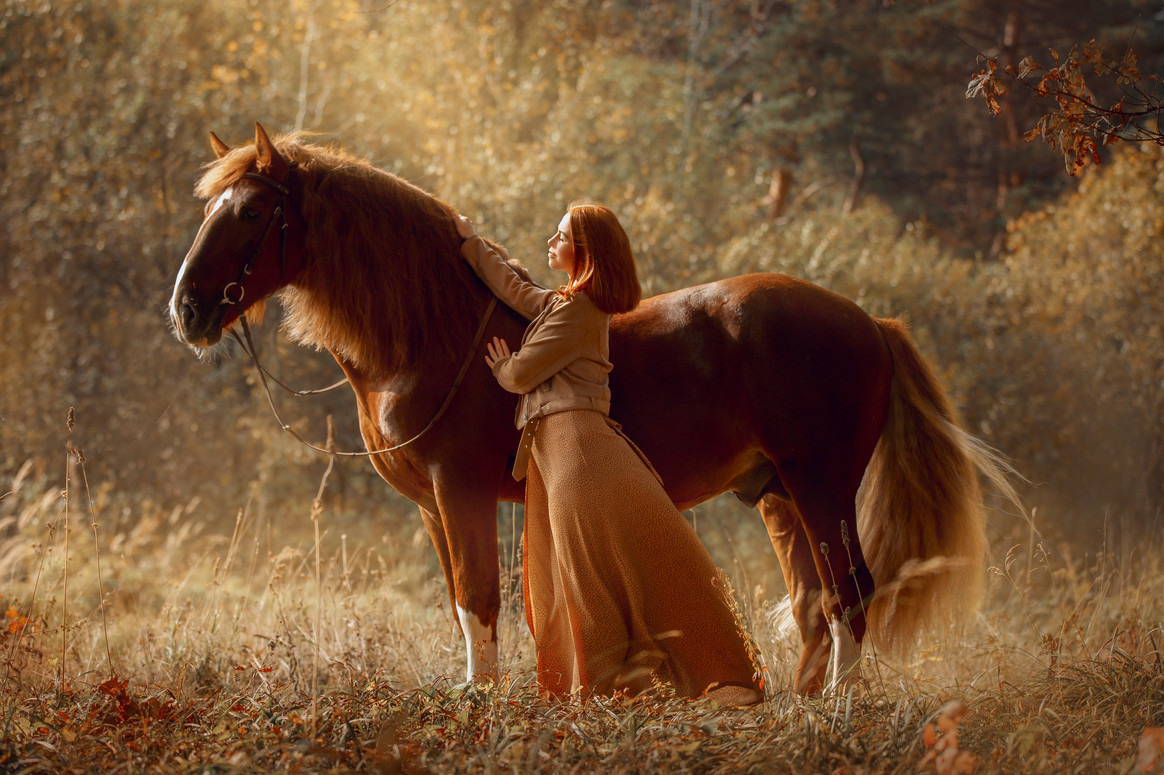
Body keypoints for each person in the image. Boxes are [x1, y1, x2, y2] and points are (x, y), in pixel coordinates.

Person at [456, 204, 761, 705]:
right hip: (562, 450)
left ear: (585, 251)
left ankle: (633, 688)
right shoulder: (568, 303)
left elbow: (520, 375)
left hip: (577, 448)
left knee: (589, 576)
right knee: (587, 574)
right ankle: (621, 687)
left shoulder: (577, 311)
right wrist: (474, 247)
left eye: (560, 236)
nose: (550, 242)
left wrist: (503, 366)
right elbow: (519, 293)